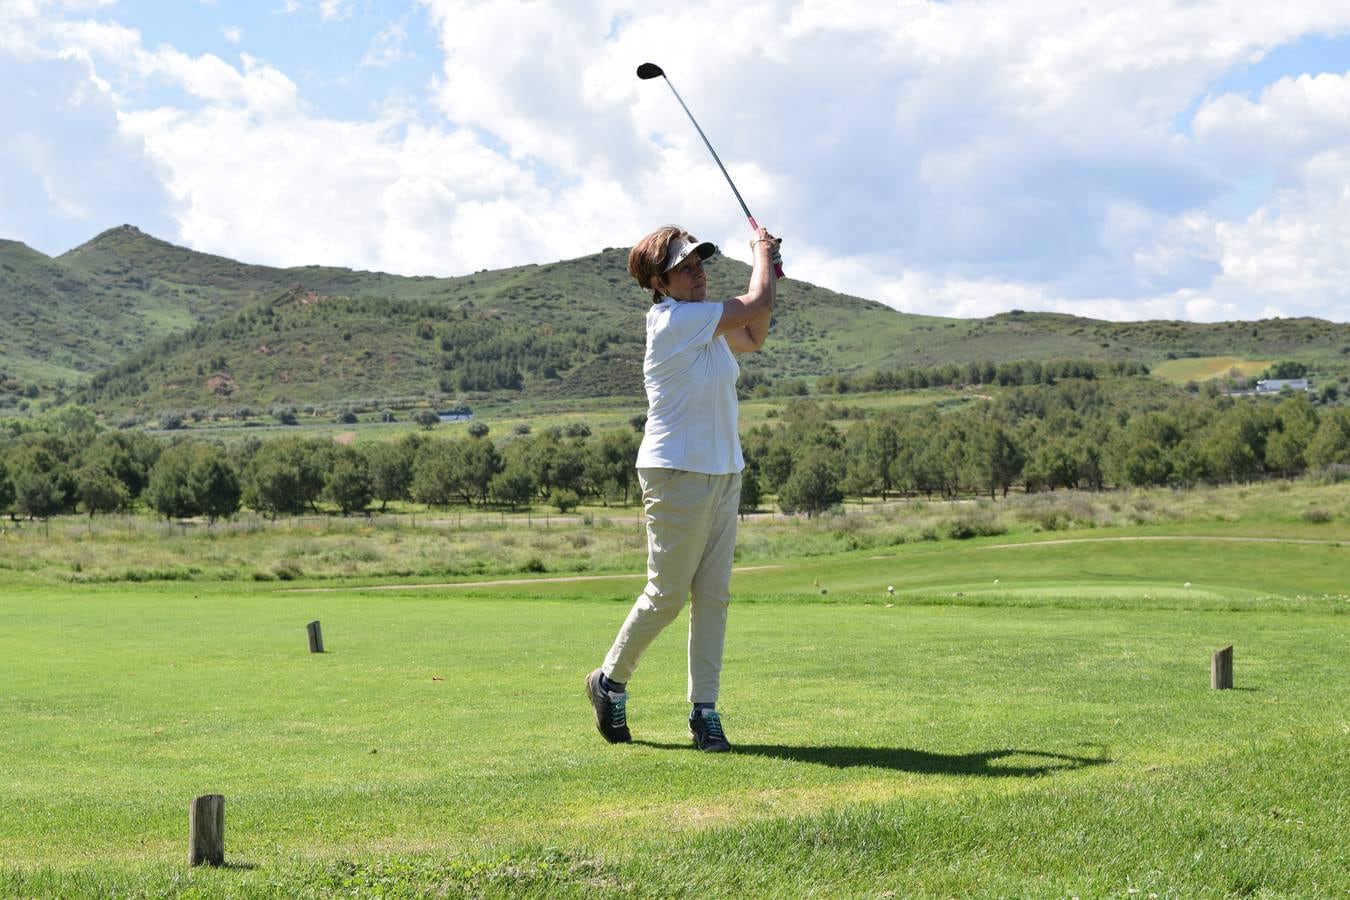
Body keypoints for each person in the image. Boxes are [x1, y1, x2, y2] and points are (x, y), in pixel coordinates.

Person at [586, 223, 780, 752]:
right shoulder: (674, 322)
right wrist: (762, 255)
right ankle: (609, 681)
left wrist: (771, 272)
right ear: (659, 282)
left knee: (713, 596)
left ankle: (704, 712)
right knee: (667, 594)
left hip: (722, 470)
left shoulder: (706, 328)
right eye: (686, 267)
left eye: (701, 265)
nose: (698, 274)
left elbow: (755, 333)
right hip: (675, 471)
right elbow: (756, 299)